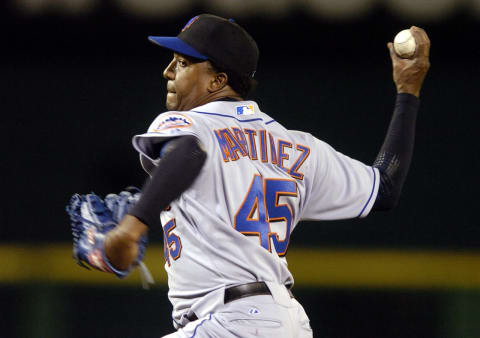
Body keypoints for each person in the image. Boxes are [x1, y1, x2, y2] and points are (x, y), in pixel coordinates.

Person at [69, 14, 430, 337]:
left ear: (217, 81)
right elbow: (385, 187)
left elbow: (190, 151)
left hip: (232, 321)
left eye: (182, 62)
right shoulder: (299, 146)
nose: (168, 71)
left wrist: (132, 227)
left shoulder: (196, 123)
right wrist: (408, 91)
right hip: (288, 324)